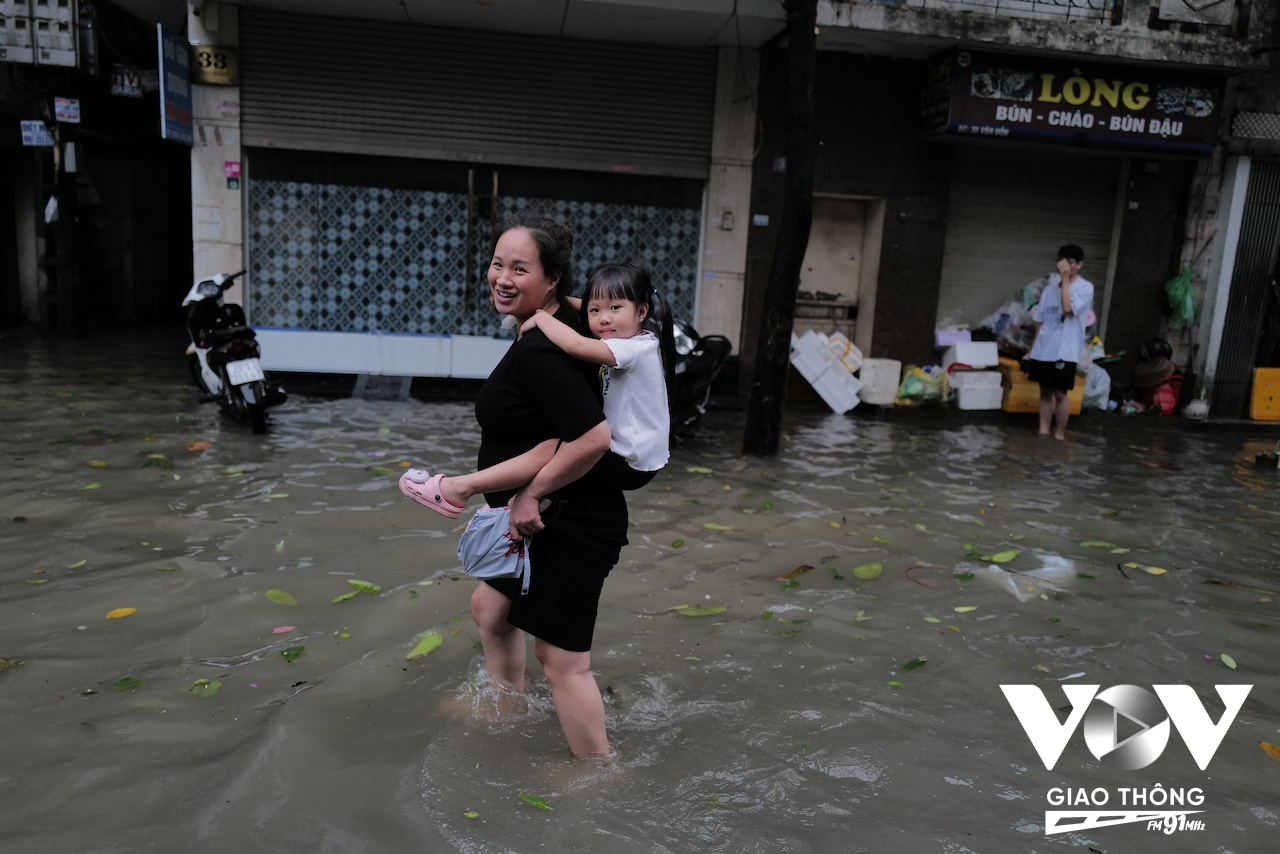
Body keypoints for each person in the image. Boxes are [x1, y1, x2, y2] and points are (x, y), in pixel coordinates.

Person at [410, 210, 626, 756]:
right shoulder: (568, 323)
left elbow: (588, 438)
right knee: (492, 609)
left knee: (563, 662)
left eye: (520, 269)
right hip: (546, 519)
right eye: (496, 263)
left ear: (553, 280)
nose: (502, 277)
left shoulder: (542, 350)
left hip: (571, 521)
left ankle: (601, 776)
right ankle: (507, 708)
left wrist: (514, 491)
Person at [400, 260, 674, 513]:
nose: (603, 318)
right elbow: (588, 306)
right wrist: (537, 300)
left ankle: (459, 489)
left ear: (641, 311)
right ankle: (508, 500)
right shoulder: (640, 333)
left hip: (629, 463)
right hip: (635, 456)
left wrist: (541, 316)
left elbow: (577, 345)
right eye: (595, 310)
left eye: (615, 308)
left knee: (555, 447)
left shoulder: (635, 349)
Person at [1025, 243, 1094, 440]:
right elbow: (1040, 322)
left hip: (1065, 351)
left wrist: (1064, 279)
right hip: (1044, 349)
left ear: (1079, 265)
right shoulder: (1048, 291)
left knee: (1060, 394)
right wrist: (1031, 351)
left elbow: (1067, 308)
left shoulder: (1085, 288)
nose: (1064, 266)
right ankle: (1043, 430)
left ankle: (1060, 434)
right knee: (1044, 391)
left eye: (1069, 263)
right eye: (1061, 262)